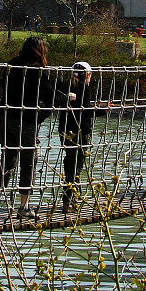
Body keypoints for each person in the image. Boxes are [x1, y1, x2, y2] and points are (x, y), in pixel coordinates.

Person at [0, 37, 73, 219]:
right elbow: (49, 98)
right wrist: (66, 98)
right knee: (29, 162)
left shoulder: (13, 65)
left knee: (8, 159)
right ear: (40, 52)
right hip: (25, 122)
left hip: (5, 118)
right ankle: (23, 207)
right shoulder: (37, 71)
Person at [58, 62, 103, 213]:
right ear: (88, 74)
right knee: (76, 166)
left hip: (64, 130)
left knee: (69, 162)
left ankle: (68, 199)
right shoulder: (85, 87)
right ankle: (71, 200)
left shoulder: (65, 86)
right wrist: (104, 110)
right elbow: (84, 112)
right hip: (80, 131)